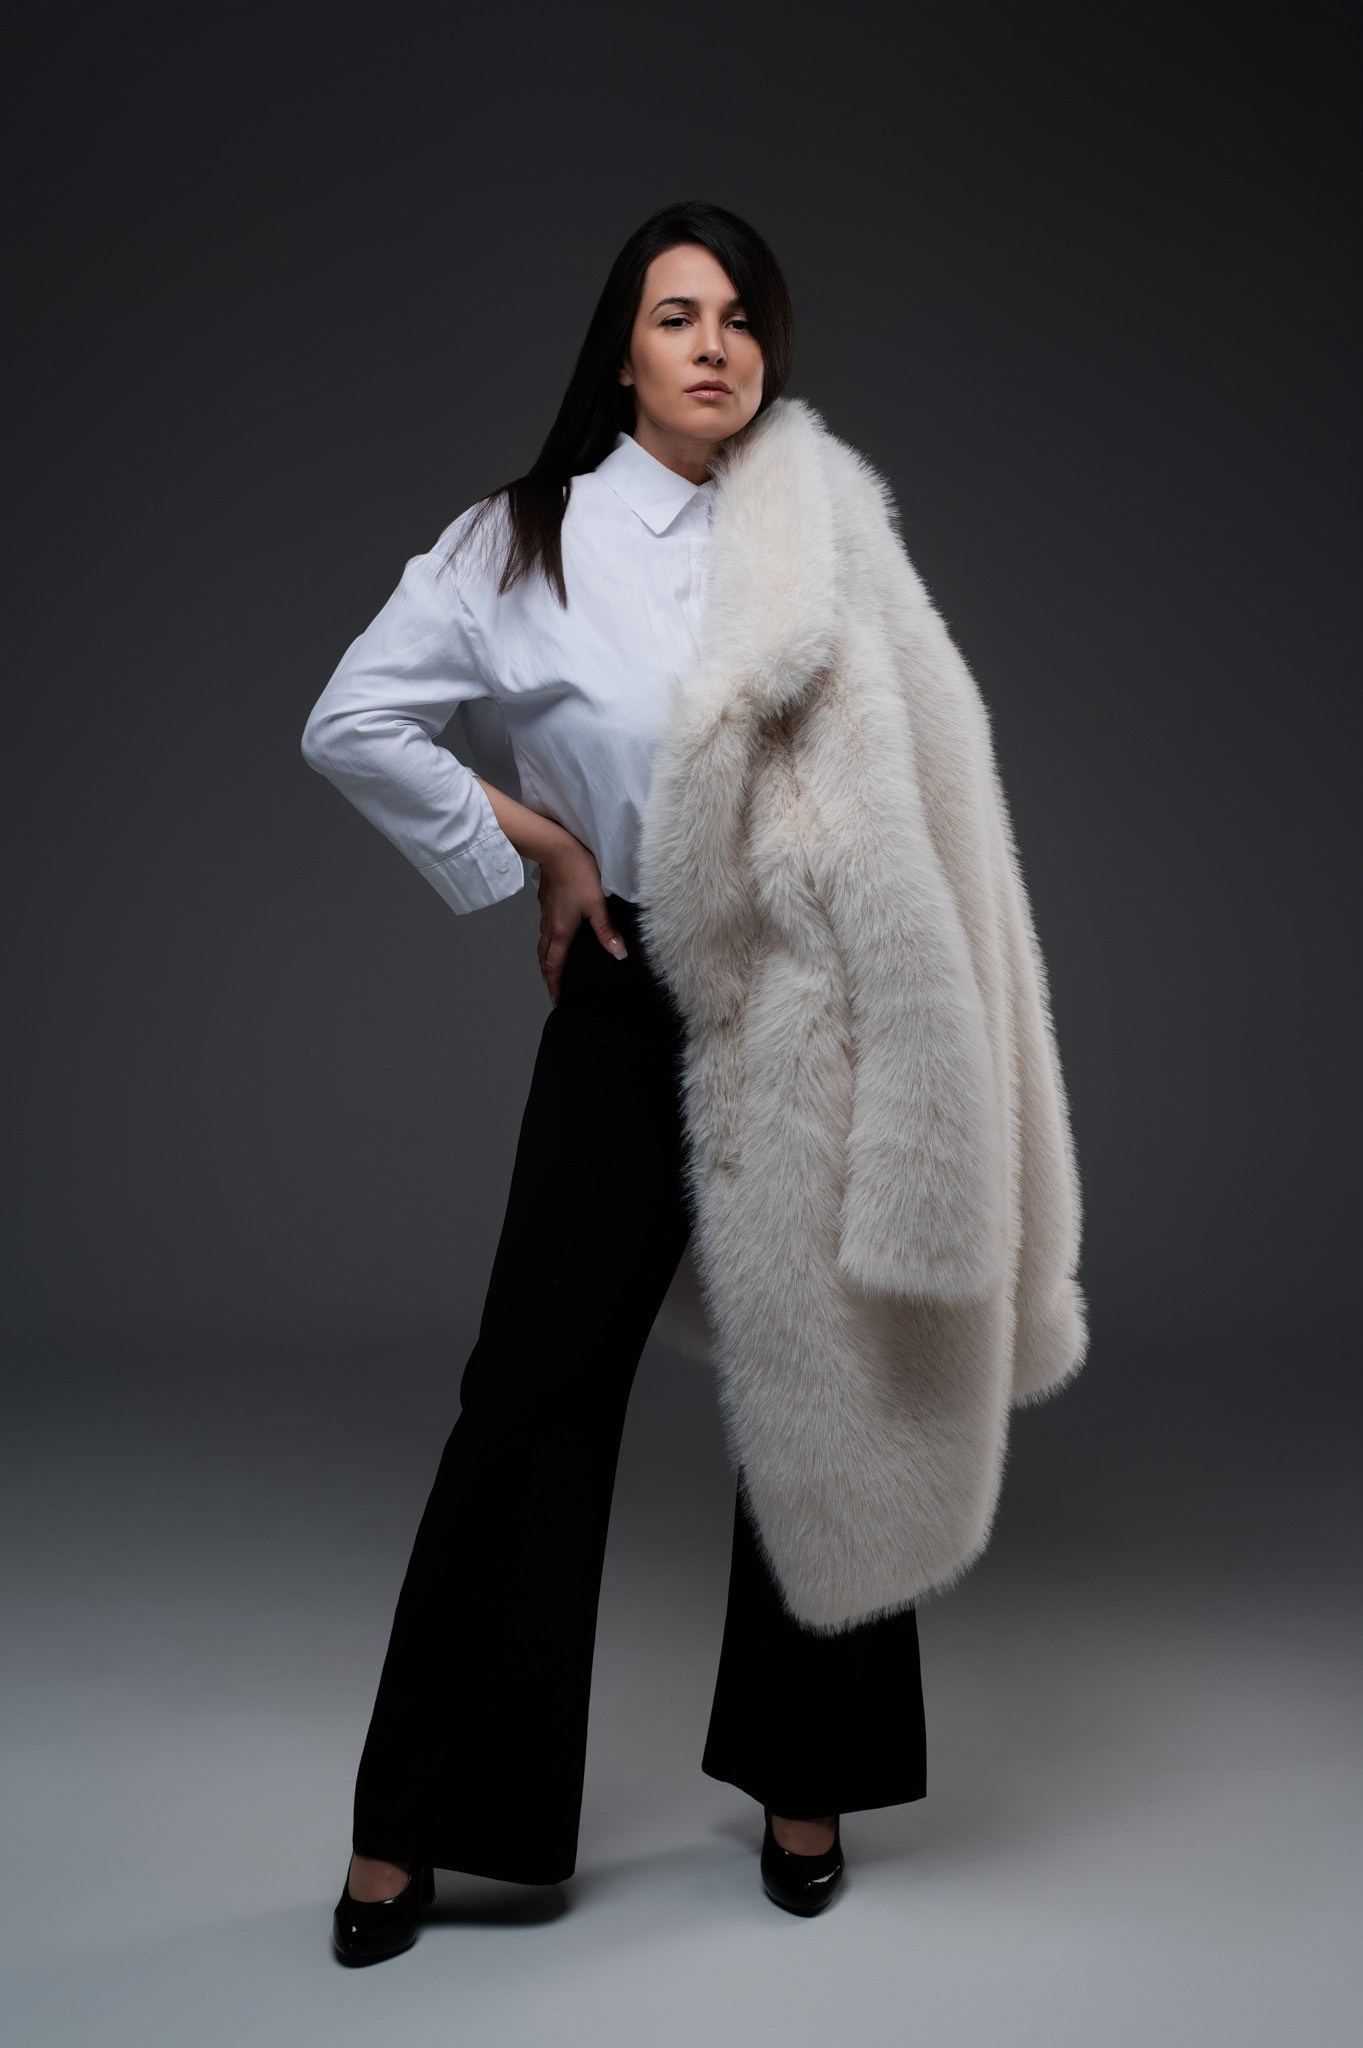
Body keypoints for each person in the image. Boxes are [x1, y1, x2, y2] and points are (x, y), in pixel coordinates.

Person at [302, 200, 930, 1965]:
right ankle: (420, 1820)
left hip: (806, 994)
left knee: (821, 1388)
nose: (715, 344)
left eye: (740, 316)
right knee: (529, 1393)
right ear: (625, 349)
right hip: (633, 990)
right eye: (677, 314)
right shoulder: (526, 539)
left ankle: (808, 1780)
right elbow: (351, 719)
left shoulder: (822, 538)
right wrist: (540, 847)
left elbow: (907, 779)